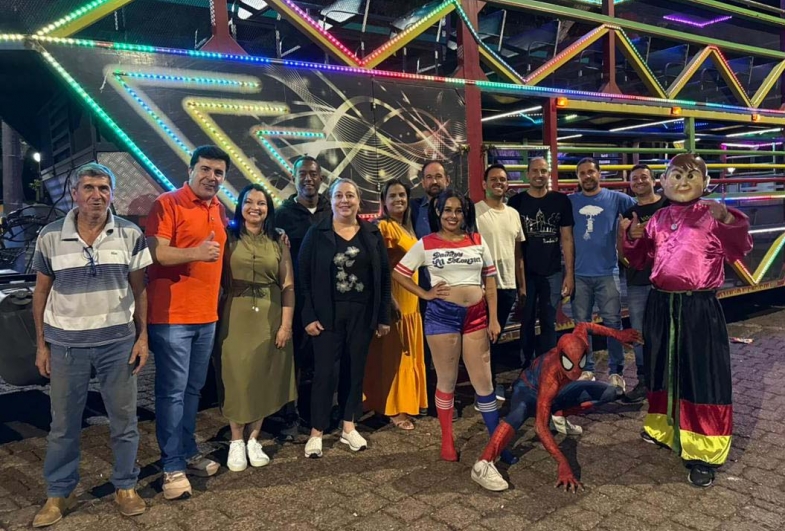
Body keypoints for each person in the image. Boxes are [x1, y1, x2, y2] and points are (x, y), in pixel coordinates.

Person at [31, 163, 151, 526]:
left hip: (117, 344)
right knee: (63, 424)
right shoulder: (50, 236)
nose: (96, 196)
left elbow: (139, 289)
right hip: (66, 346)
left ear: (112, 194)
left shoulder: (130, 233)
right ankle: (59, 492)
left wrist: (142, 337)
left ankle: (125, 486)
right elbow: (41, 292)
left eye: (103, 189)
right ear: (75, 194)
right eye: (89, 188)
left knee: (124, 421)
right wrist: (41, 345)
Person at [623, 154, 752, 488]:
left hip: (698, 308)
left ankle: (703, 450)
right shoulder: (658, 218)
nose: (682, 182)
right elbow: (640, 259)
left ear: (705, 183)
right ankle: (663, 427)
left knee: (700, 374)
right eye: (675, 175)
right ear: (663, 182)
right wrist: (633, 237)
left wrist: (728, 219)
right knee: (661, 369)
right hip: (660, 304)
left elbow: (741, 247)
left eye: (691, 175)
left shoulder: (712, 215)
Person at [393, 190, 514, 464]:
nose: (453, 215)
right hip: (442, 317)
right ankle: (447, 441)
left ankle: (496, 443)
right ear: (438, 212)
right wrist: (425, 294)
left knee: (484, 382)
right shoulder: (426, 243)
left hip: (477, 316)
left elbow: (490, 281)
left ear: (465, 213)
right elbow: (399, 273)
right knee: (447, 380)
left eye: (458, 210)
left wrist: (494, 318)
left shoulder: (477, 240)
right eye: (447, 210)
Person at [146, 145, 229, 500]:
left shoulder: (218, 208)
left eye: (219, 172)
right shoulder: (167, 203)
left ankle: (187, 450)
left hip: (206, 317)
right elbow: (155, 252)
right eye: (205, 169)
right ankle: (172, 467)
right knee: (172, 393)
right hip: (172, 319)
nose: (212, 177)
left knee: (193, 390)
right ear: (191, 169)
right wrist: (196, 253)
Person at [470, 323, 641, 492]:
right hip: (528, 389)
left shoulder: (579, 340)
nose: (575, 371)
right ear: (560, 356)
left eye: (580, 362)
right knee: (519, 412)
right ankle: (483, 463)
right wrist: (563, 463)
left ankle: (558, 414)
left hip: (559, 392)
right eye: (569, 364)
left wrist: (617, 334)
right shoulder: (550, 375)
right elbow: (540, 427)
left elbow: (584, 326)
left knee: (612, 392)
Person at [299, 178, 392, 458]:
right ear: (331, 200)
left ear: (358, 201)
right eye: (339, 195)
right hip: (327, 315)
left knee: (355, 370)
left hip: (362, 315)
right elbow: (303, 277)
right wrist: (308, 316)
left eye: (350, 195)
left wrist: (383, 317)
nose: (344, 201)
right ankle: (317, 431)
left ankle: (349, 427)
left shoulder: (371, 234)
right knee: (324, 373)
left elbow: (384, 277)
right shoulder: (317, 233)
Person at [216, 184, 296, 471]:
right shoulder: (227, 236)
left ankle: (253, 439)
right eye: (249, 202)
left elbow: (288, 285)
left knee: (263, 374)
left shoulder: (278, 240)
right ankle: (236, 440)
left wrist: (286, 325)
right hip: (234, 314)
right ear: (240, 206)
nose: (255, 208)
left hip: (270, 314)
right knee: (236, 376)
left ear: (268, 209)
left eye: (261, 203)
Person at [508, 157, 578, 435]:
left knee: (549, 321)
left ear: (549, 174)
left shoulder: (561, 201)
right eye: (535, 171)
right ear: (527, 174)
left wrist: (569, 274)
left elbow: (567, 238)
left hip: (552, 272)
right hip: (527, 272)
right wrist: (518, 279)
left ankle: (548, 369)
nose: (539, 175)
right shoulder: (516, 202)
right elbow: (514, 244)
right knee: (526, 320)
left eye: (544, 171)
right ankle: (527, 368)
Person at [364, 179, 428, 430]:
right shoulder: (385, 227)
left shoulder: (407, 228)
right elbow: (379, 266)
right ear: (383, 201)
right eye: (392, 196)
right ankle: (393, 409)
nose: (398, 199)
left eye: (402, 195)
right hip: (397, 301)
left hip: (411, 302)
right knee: (393, 357)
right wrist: (389, 300)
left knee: (403, 355)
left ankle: (405, 403)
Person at [274, 156, 331, 431]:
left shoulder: (332, 211)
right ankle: (286, 415)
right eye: (302, 174)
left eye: (313, 174)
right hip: (293, 299)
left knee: (317, 360)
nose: (308, 179)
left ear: (321, 178)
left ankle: (311, 415)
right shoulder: (280, 216)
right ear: (293, 178)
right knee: (290, 360)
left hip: (326, 299)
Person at [569, 157, 635, 388]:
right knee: (581, 325)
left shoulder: (616, 199)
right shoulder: (571, 201)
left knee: (613, 323)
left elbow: (642, 209)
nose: (587, 176)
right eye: (582, 173)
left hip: (608, 272)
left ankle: (616, 371)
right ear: (578, 177)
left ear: (599, 173)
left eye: (591, 172)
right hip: (579, 274)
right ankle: (587, 369)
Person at [474, 164, 526, 401]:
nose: (499, 183)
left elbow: (517, 254)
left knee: (494, 338)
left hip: (507, 286)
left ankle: (489, 386)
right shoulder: (475, 212)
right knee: (482, 340)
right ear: (484, 184)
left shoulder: (513, 214)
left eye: (503, 179)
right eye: (493, 179)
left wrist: (521, 286)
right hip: (482, 286)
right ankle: (486, 388)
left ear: (507, 184)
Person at [616, 164, 668, 403]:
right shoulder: (628, 214)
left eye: (643, 177)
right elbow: (621, 255)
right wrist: (625, 235)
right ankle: (644, 380)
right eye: (634, 179)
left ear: (654, 180)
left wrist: (650, 232)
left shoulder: (667, 206)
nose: (639, 182)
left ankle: (666, 382)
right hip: (637, 281)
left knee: (666, 331)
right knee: (638, 334)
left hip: (665, 280)